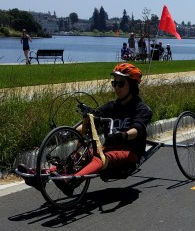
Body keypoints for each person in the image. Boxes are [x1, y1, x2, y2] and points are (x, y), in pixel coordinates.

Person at [18, 63, 152, 194]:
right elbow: (91, 124)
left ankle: (72, 182)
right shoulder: (111, 106)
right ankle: (41, 175)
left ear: (132, 86)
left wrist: (123, 135)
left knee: (100, 157)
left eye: (121, 83)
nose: (116, 87)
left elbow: (137, 129)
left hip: (130, 152)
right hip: (108, 149)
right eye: (114, 83)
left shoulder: (141, 109)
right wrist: (69, 133)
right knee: (79, 157)